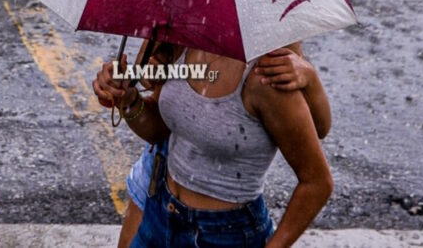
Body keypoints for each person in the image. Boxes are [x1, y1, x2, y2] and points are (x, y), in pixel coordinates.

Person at [93, 40, 332, 247]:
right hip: (161, 211)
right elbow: (162, 127)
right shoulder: (179, 35)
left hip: (225, 233)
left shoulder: (268, 70)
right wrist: (128, 100)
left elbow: (317, 178)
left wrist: (310, 79)